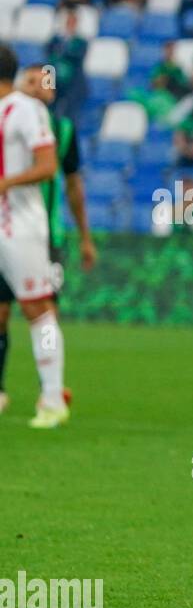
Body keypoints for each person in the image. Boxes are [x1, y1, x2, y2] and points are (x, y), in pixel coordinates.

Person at [0, 43, 64, 427]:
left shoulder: (27, 109)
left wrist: (6, 182)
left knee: (38, 310)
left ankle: (53, 398)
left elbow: (48, 166)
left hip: (21, 227)